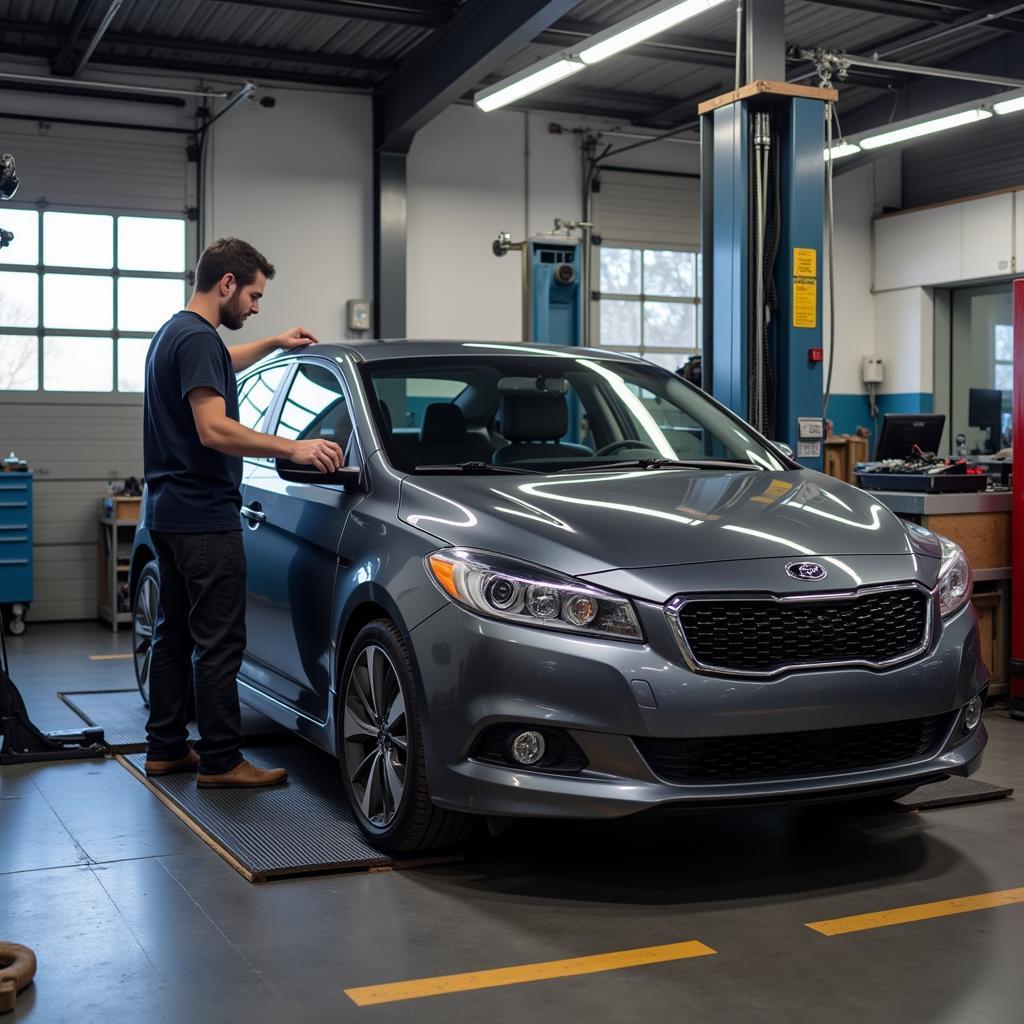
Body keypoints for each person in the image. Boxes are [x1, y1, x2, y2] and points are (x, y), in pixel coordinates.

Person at [142, 237, 344, 788]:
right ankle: (222, 761)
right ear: (227, 283)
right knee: (220, 641)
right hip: (204, 517)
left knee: (174, 634)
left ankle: (164, 748)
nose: (256, 306)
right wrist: (294, 447)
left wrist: (274, 343)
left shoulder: (175, 334)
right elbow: (213, 428)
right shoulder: (197, 340)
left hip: (167, 513)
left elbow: (219, 363)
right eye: (254, 295)